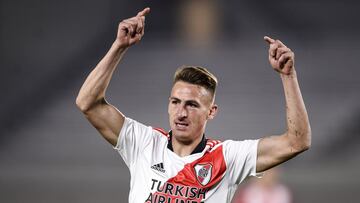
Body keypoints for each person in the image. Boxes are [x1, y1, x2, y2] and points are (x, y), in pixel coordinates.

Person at [76, 7, 311, 203]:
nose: (181, 112)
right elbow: (87, 103)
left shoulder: (227, 158)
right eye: (175, 102)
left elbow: (297, 142)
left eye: (192, 105)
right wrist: (119, 46)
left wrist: (288, 76)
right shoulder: (143, 143)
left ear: (211, 112)